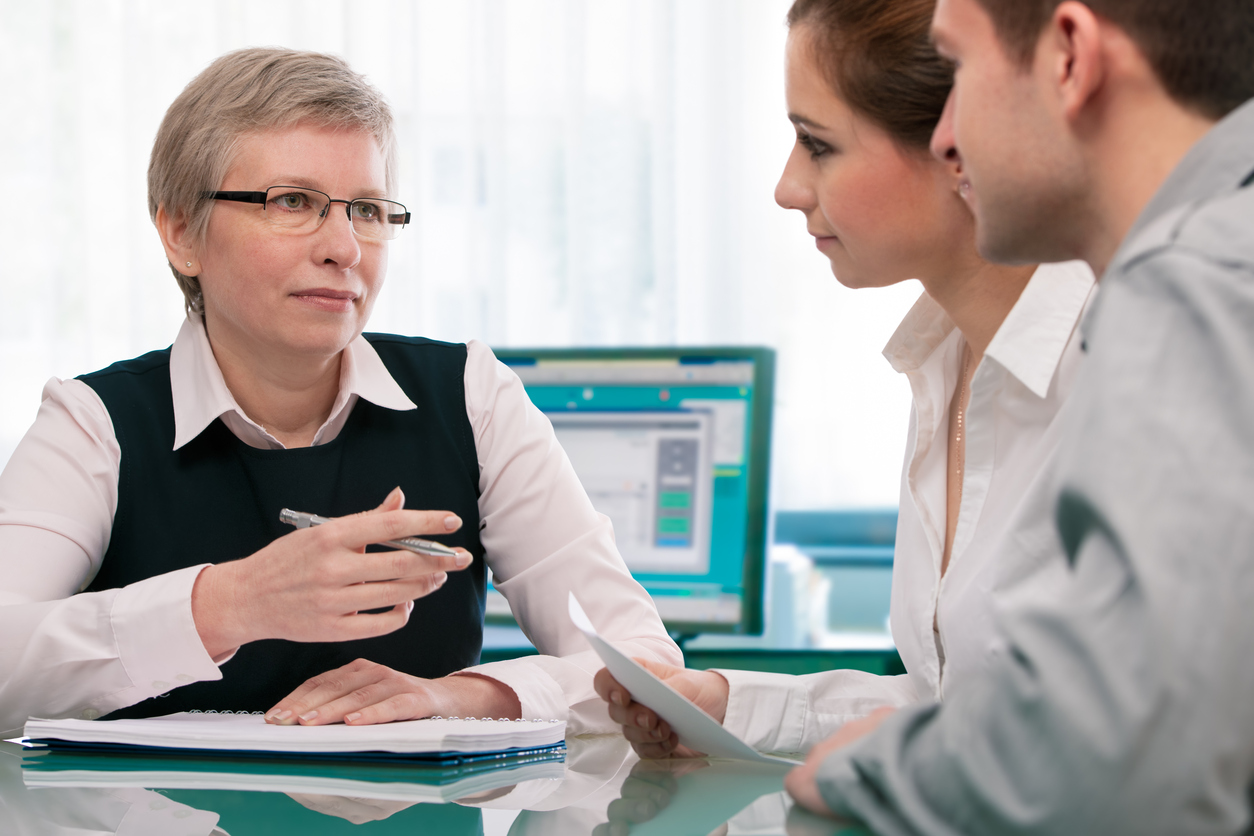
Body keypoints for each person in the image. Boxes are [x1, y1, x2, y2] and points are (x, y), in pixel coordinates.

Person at [0, 47, 680, 739]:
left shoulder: (472, 397)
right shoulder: (94, 424)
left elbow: (644, 661)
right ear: (181, 233)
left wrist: (462, 698)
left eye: (368, 209)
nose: (345, 248)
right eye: (293, 201)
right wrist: (228, 604)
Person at [781, 0, 1254, 832]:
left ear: (1069, 55)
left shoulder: (1193, 281)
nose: (946, 136)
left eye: (958, 70)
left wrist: (871, 768)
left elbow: (1120, 752)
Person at [595, 0, 1094, 758]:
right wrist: (729, 705)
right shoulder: (944, 364)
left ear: (961, 143)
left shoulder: (1121, 366)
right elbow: (951, 704)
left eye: (817, 144)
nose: (788, 187)